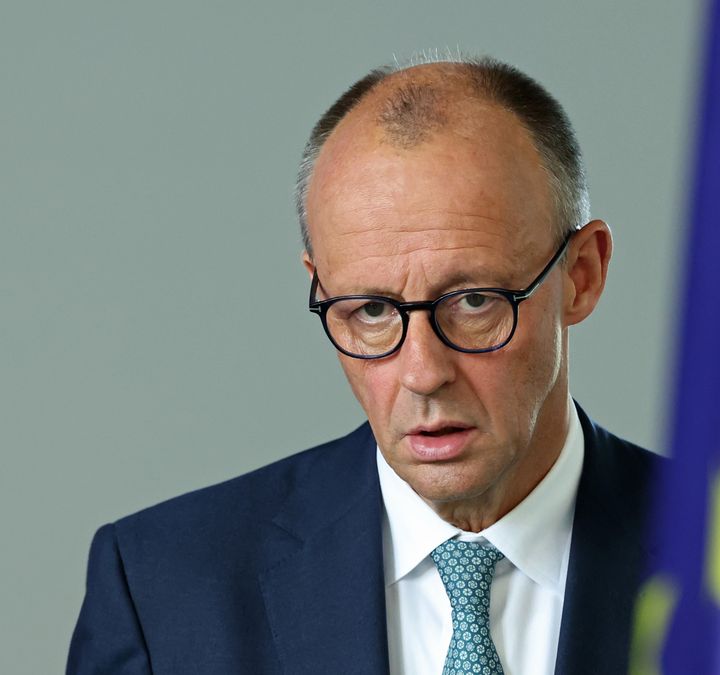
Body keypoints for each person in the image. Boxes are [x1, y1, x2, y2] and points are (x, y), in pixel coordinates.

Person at [67, 56, 660, 675]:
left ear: (582, 275)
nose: (423, 372)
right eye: (372, 310)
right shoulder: (163, 591)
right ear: (320, 288)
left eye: (475, 301)